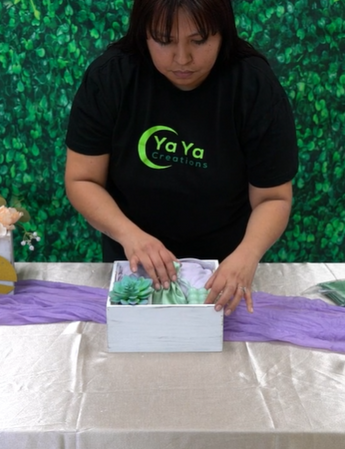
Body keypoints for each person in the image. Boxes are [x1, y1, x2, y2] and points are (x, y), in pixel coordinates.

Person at [64, 0, 298, 316]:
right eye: (164, 40)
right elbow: (82, 179)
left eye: (199, 41)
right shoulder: (112, 77)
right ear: (143, 33)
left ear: (223, 33)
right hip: (134, 265)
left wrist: (247, 255)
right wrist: (130, 235)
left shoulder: (252, 84)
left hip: (225, 273)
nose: (182, 58)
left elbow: (273, 198)